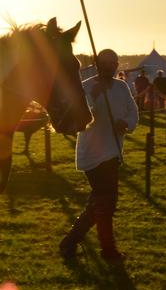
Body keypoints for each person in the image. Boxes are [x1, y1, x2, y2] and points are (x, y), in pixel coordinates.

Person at [59, 49, 139, 263]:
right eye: (104, 63)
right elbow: (82, 117)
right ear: (97, 64)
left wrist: (126, 124)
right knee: (105, 202)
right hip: (93, 154)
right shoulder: (85, 86)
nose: (109, 67)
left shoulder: (122, 87)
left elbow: (133, 113)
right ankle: (107, 250)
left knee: (102, 203)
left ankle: (70, 242)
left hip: (113, 151)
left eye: (113, 63)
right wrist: (93, 97)